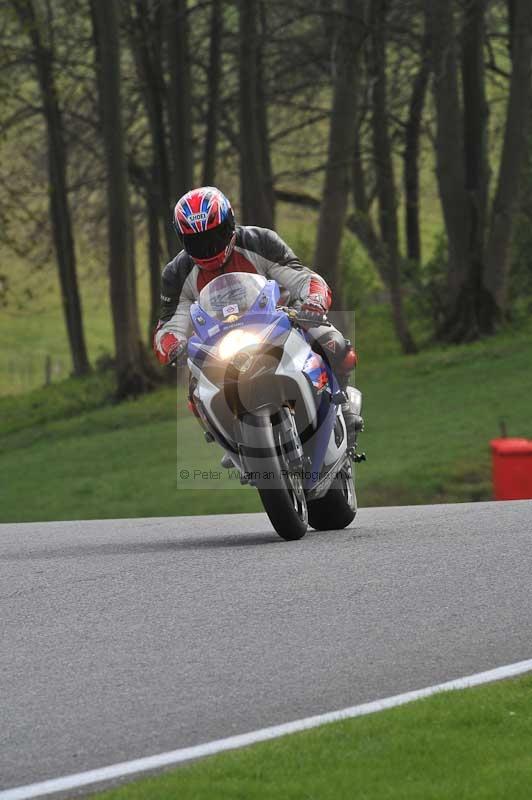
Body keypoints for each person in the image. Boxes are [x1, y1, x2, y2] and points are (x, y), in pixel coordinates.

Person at [153, 186, 362, 445]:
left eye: (215, 236)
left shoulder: (259, 241)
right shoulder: (176, 274)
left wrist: (314, 300)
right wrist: (172, 345)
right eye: (198, 242)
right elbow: (170, 323)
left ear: (230, 223)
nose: (208, 248)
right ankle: (229, 443)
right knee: (195, 392)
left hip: (278, 321)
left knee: (333, 342)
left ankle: (345, 408)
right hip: (217, 344)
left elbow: (301, 277)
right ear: (183, 240)